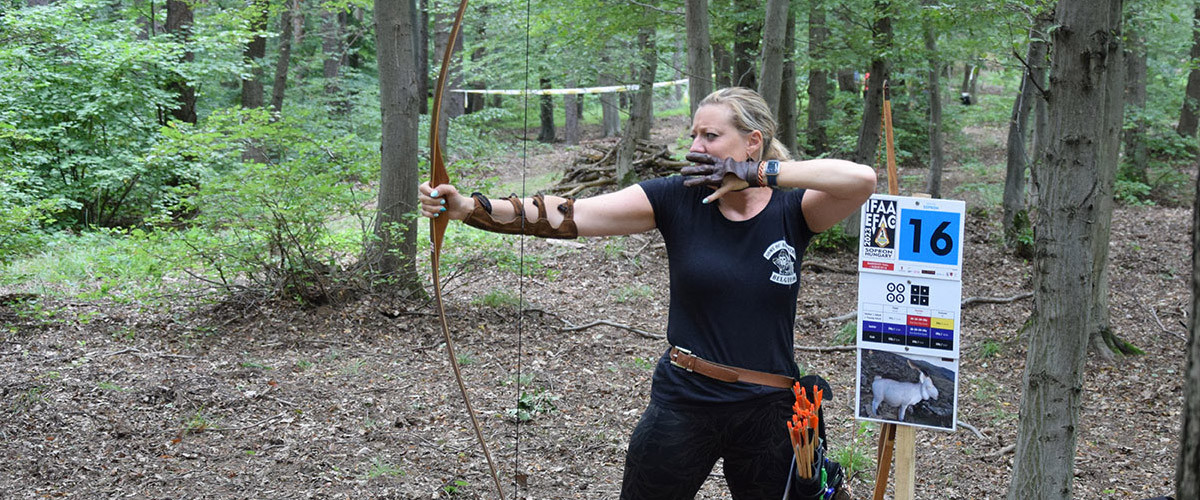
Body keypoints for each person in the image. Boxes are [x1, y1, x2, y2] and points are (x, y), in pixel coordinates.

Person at [419, 87, 875, 499]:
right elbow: (568, 213)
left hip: (770, 409)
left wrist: (758, 175)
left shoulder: (794, 209)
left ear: (751, 142)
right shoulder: (677, 197)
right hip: (685, 398)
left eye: (711, 137)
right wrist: (469, 208)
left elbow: (861, 180)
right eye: (693, 135)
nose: (695, 147)